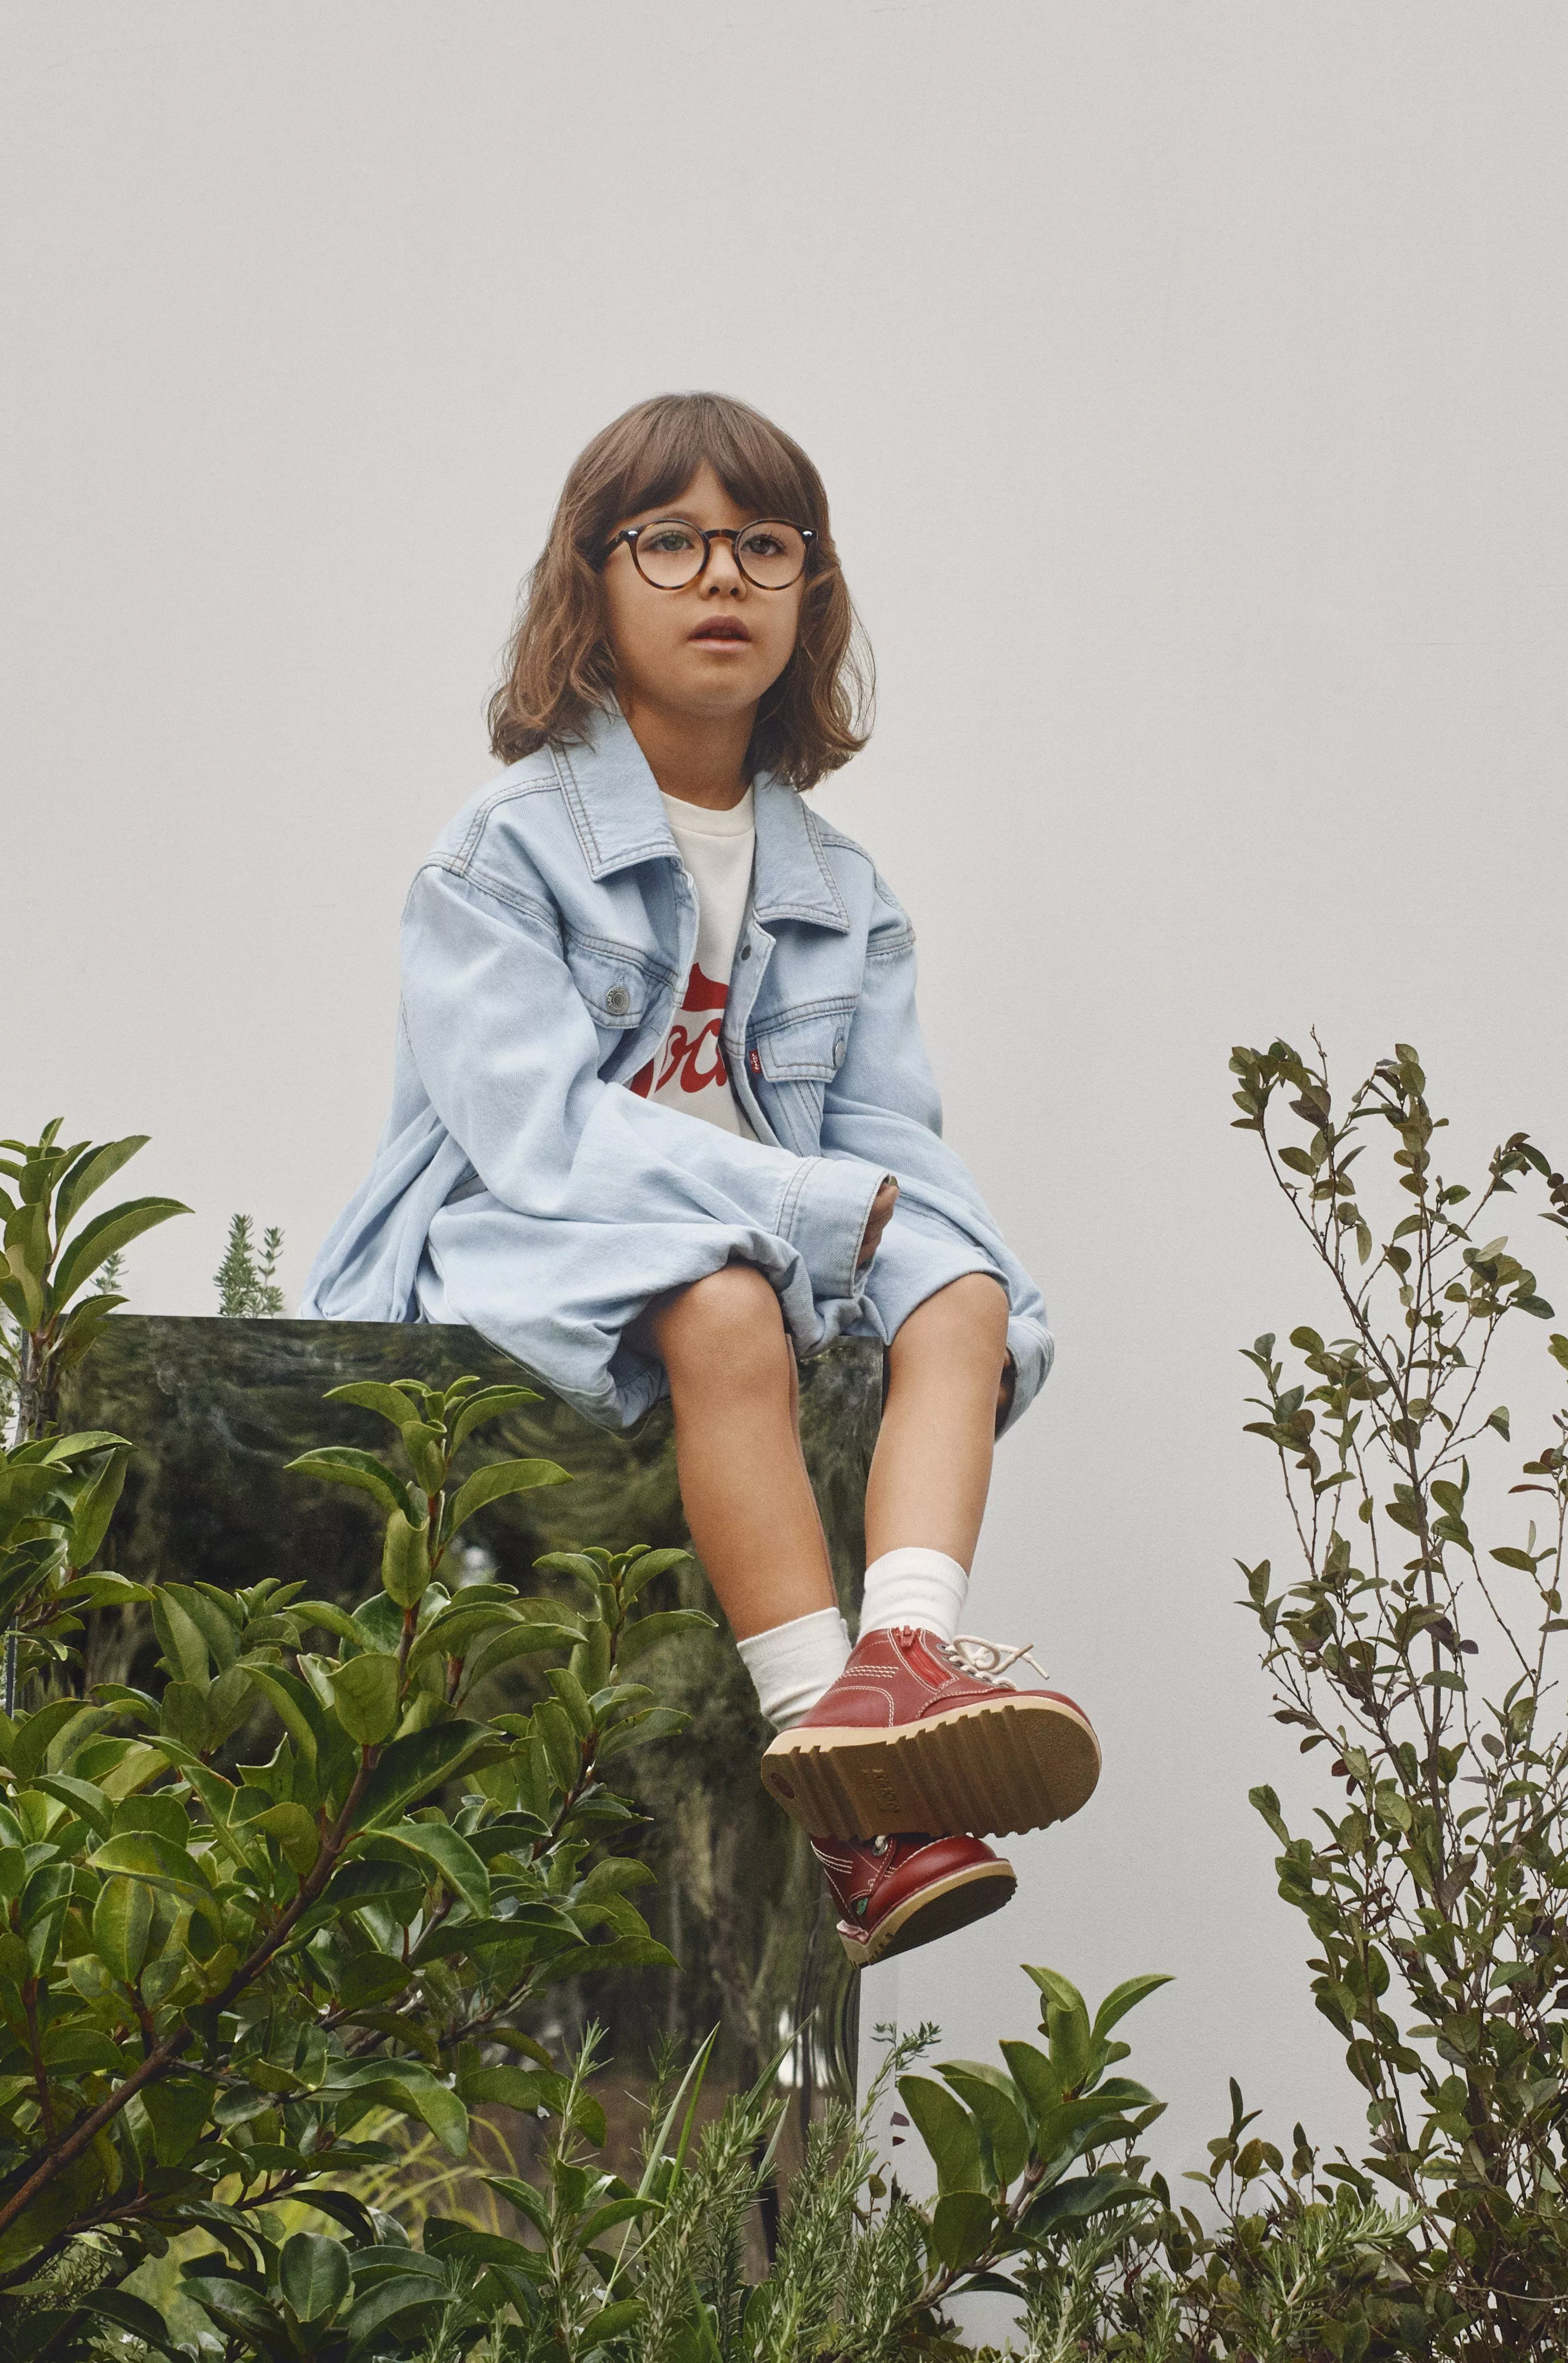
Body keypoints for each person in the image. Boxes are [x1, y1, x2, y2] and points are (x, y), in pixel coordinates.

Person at [306, 391, 1099, 1965]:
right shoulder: (501, 855)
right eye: (668, 540)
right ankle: (857, 1822)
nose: (718, 576)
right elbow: (535, 1131)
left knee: (966, 1286)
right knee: (724, 1306)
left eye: (762, 543)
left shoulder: (839, 890)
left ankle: (903, 1666)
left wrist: (922, 1242)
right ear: (592, 588)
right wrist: (802, 1212)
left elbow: (883, 1138)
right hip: (516, 1233)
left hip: (760, 1224)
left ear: (812, 596)